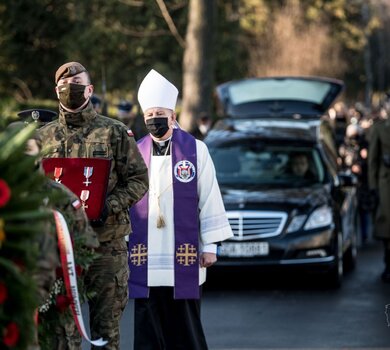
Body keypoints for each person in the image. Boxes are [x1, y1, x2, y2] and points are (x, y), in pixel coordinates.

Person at [37, 62, 149, 349]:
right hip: (62, 250)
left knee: (106, 335)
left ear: (90, 89)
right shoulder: (42, 137)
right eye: (65, 83)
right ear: (56, 91)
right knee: (63, 336)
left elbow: (138, 180)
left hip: (107, 246)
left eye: (77, 82)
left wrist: (108, 205)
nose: (71, 88)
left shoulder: (114, 132)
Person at [128, 69, 233, 350]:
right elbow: (127, 201)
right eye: (149, 115)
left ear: (173, 115)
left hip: (184, 256)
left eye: (160, 113)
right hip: (147, 257)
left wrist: (209, 244)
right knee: (148, 328)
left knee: (184, 329)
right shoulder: (135, 153)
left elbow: (208, 196)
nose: (154, 119)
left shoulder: (196, 150)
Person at [368, 116, 390, 282]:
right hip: (386, 182)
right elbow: (373, 160)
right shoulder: (380, 127)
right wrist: (373, 186)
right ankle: (388, 263)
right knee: (386, 224)